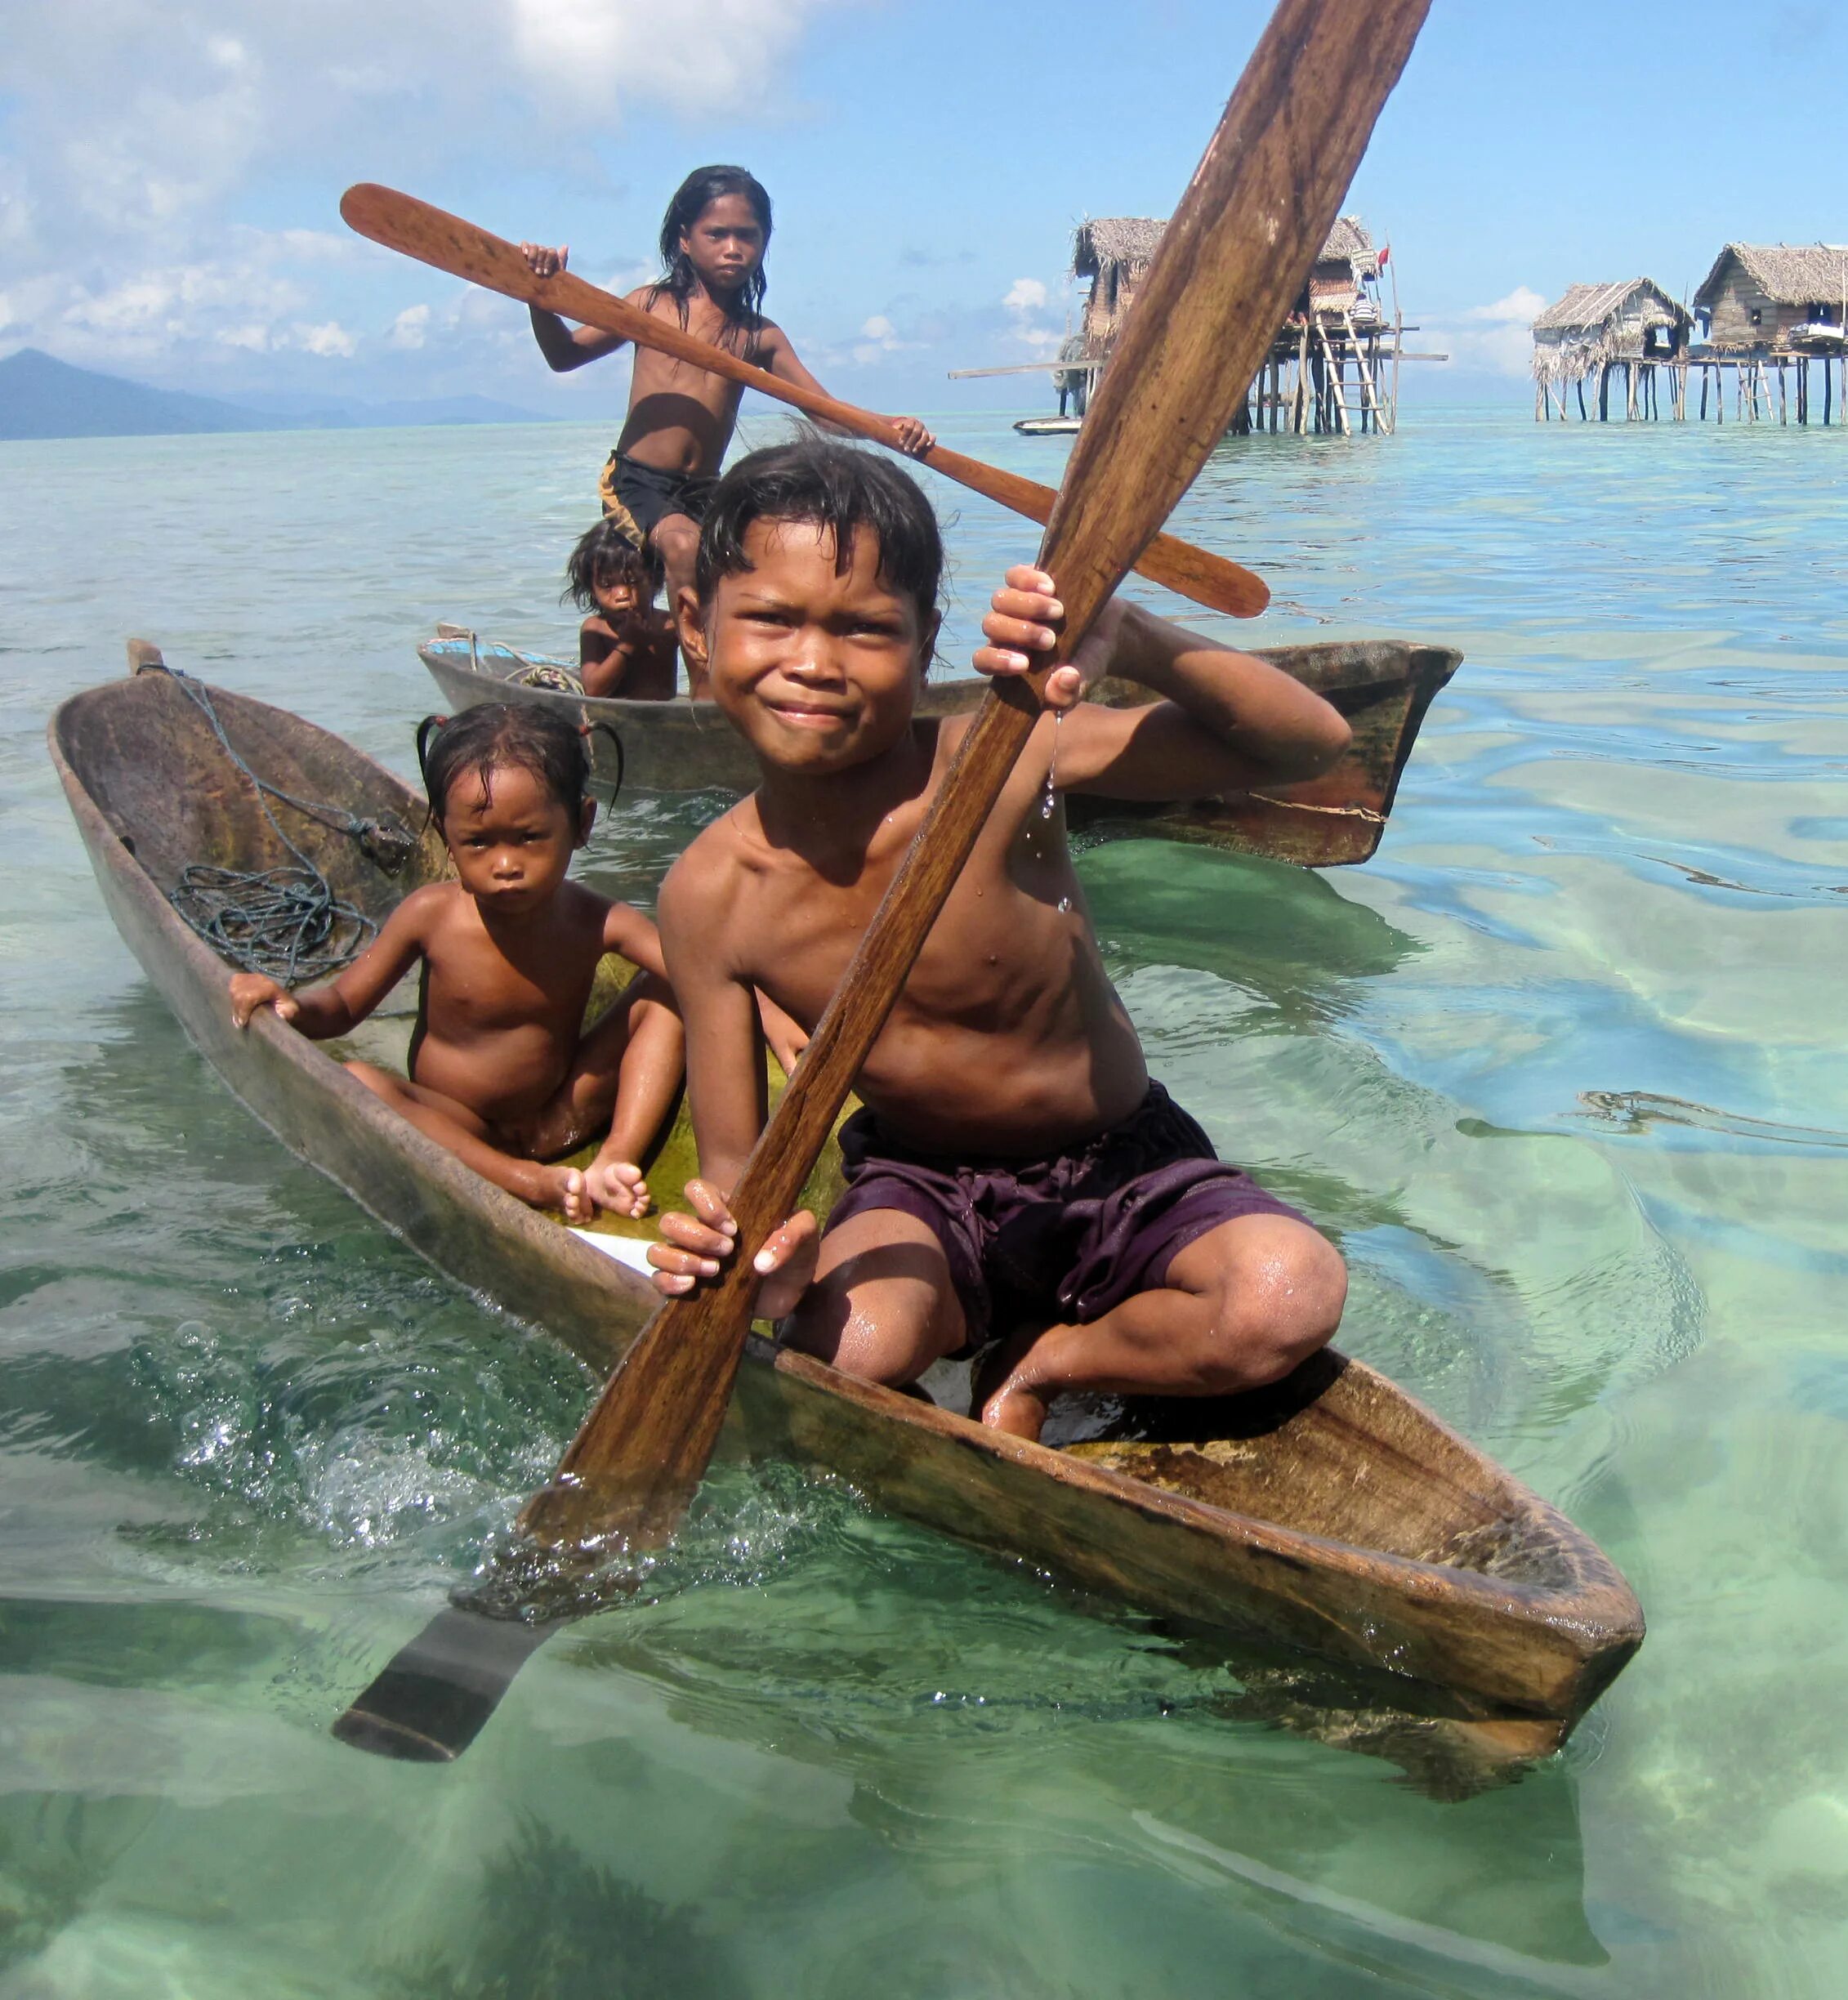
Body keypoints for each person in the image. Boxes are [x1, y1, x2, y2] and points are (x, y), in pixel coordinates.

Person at [643, 438, 1356, 1443]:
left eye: (865, 629)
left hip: (1122, 1162)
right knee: (845, 1353)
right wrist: (758, 1261)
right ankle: (957, 1328)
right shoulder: (709, 896)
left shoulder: (1004, 758)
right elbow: (733, 1168)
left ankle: (1043, 1360)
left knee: (1288, 1296)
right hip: (921, 1185)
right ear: (695, 627)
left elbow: (1315, 746)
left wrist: (1128, 636)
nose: (813, 662)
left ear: (930, 637)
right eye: (769, 619)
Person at [227, 704, 684, 1224]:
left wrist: (776, 1014)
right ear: (447, 838)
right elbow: (342, 1007)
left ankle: (614, 1159)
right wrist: (292, 1005)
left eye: (530, 837)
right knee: (359, 1081)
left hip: (558, 1117)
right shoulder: (431, 915)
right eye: (479, 842)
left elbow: (703, 973)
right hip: (456, 1127)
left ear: (581, 824)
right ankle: (525, 1181)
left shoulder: (600, 919)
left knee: (672, 988)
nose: (506, 865)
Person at [520, 163, 935, 679]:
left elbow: (824, 414)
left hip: (706, 490)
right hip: (637, 481)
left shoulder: (758, 336)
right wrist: (539, 295)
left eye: (747, 236)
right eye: (716, 234)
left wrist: (889, 427)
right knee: (682, 547)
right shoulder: (649, 306)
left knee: (754, 567)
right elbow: (563, 356)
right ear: (685, 240)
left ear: (763, 244)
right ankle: (708, 695)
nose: (732, 248)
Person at [563, 516, 678, 699]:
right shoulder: (596, 629)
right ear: (592, 590)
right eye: (607, 585)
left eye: (632, 582)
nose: (622, 595)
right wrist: (628, 645)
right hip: (614, 716)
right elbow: (594, 691)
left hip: (661, 715)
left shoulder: (670, 625)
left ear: (654, 581)